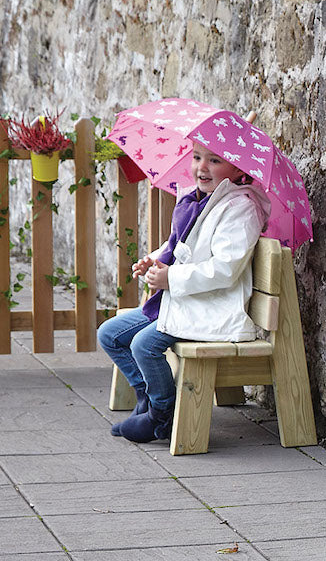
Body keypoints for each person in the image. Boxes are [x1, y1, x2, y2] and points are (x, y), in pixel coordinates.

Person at [97, 142, 270, 443]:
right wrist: (157, 260)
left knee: (144, 346)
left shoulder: (240, 208)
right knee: (109, 334)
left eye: (215, 160)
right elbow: (180, 247)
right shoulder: (197, 200)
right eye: (197, 157)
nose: (202, 167)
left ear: (238, 169)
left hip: (211, 306)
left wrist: (171, 277)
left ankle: (161, 415)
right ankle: (147, 397)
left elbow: (225, 268)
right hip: (181, 300)